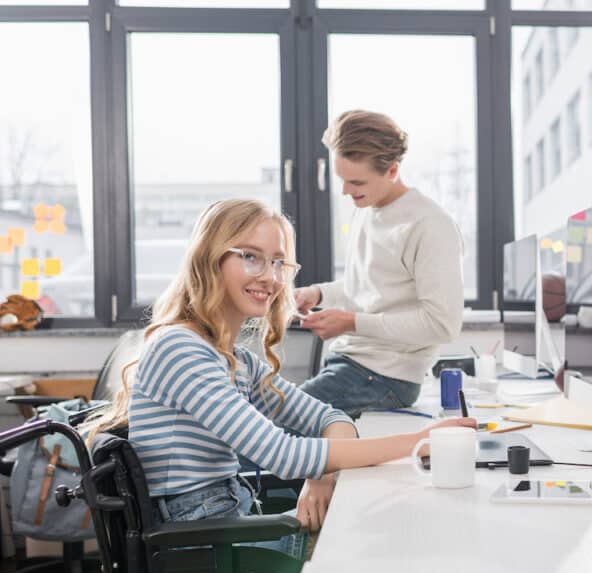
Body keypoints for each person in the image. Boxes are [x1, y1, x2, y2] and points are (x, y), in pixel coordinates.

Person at [86, 199, 475, 544]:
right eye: (251, 257)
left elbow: (327, 416)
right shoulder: (181, 349)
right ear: (210, 259)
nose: (271, 278)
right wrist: (421, 441)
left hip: (226, 516)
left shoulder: (234, 358)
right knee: (370, 549)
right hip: (201, 540)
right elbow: (282, 454)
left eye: (278, 263)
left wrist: (321, 477)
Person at [295, 110, 464, 418]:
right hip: (351, 365)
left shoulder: (429, 225)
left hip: (384, 378)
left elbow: (443, 325)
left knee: (258, 434)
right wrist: (318, 294)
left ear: (392, 171)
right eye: (342, 180)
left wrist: (352, 322)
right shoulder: (367, 207)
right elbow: (371, 289)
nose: (346, 191)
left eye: (356, 182)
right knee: (259, 422)